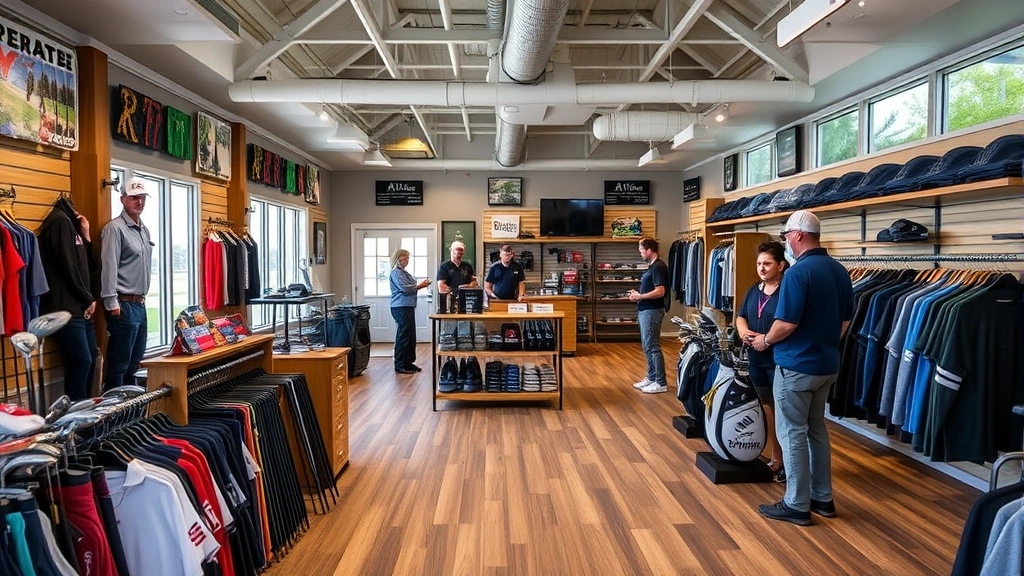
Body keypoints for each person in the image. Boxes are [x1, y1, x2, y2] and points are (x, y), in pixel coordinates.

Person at [751, 210, 854, 526]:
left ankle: (796, 503)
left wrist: (766, 340)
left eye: (786, 237)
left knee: (792, 431)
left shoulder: (797, 273)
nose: (786, 244)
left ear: (798, 235)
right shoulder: (840, 271)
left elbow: (786, 323)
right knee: (816, 429)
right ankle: (822, 498)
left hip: (796, 367)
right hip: (826, 365)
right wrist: (823, 343)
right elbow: (845, 320)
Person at [38, 197, 100, 400]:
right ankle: (74, 414)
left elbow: (88, 267)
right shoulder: (60, 222)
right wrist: (87, 299)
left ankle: (84, 410)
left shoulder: (72, 225)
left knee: (91, 359)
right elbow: (69, 268)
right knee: (82, 360)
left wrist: (86, 236)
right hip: (65, 309)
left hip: (80, 308)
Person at [735, 241, 787, 482]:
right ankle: (775, 457)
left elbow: (788, 324)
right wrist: (744, 332)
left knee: (781, 411)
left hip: (777, 359)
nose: (762, 268)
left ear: (781, 265)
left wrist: (766, 340)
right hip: (755, 359)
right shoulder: (754, 290)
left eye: (767, 263)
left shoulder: (786, 291)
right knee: (765, 406)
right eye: (759, 264)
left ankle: (782, 461)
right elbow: (741, 316)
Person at [100, 177, 154, 391]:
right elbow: (109, 266)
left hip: (140, 304)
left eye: (142, 197)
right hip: (123, 305)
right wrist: (111, 302)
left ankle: (131, 408)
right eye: (134, 197)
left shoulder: (144, 230)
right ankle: (113, 407)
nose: (139, 201)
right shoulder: (115, 229)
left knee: (135, 364)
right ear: (123, 199)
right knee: (119, 366)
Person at [629, 237, 671, 394]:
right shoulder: (653, 267)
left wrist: (640, 296)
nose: (640, 253)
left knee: (652, 346)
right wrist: (638, 294)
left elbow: (660, 291)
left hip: (652, 311)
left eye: (641, 250)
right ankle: (651, 377)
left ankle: (660, 382)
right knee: (647, 346)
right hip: (646, 309)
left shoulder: (658, 267)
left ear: (649, 250)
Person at [389, 248, 431, 374]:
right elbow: (405, 288)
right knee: (403, 335)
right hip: (400, 307)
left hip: (407, 306)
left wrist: (419, 285)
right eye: (405, 257)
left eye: (408, 257)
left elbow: (411, 285)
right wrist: (421, 285)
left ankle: (408, 363)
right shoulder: (396, 272)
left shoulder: (404, 272)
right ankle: (399, 364)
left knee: (410, 335)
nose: (407, 259)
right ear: (398, 258)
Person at [436, 240, 477, 310]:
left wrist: (467, 287)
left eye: (461, 250)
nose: (459, 252)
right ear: (452, 251)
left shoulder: (468, 266)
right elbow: (441, 286)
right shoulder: (445, 267)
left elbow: (474, 281)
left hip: (466, 301)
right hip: (449, 302)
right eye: (458, 249)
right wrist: (456, 290)